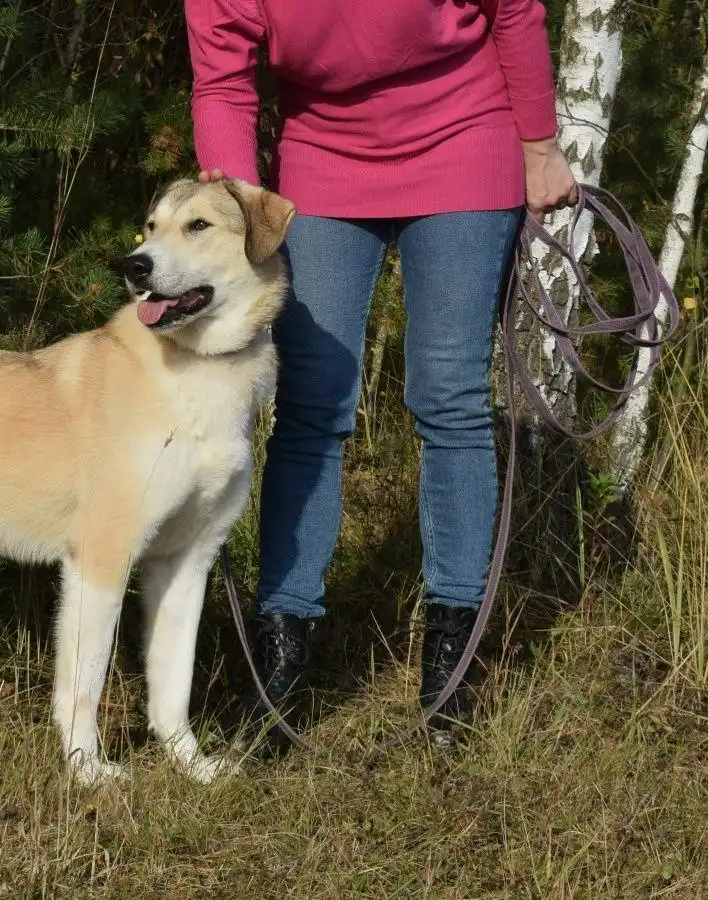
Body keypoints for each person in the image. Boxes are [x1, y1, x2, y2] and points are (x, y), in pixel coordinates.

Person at [183, 0, 578, 744]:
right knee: (310, 404)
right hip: (323, 154)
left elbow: (513, 8)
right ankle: (281, 663)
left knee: (451, 395)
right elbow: (225, 85)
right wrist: (234, 207)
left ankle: (452, 670)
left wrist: (538, 143)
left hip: (464, 130)